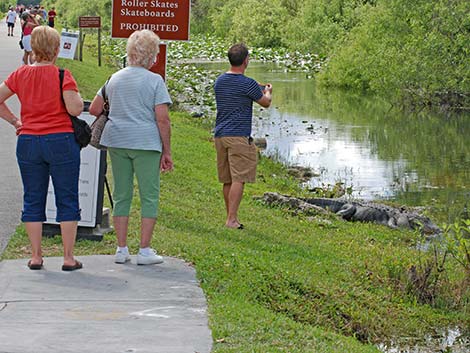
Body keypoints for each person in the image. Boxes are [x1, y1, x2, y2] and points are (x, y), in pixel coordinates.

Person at [0, 26, 84, 271]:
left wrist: (16, 121)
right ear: (57, 49)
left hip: (28, 141)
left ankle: (36, 256)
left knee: (33, 197)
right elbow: (75, 109)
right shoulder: (62, 75)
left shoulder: (20, 74)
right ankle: (68, 258)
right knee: (66, 197)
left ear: (33, 48)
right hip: (60, 141)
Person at [89, 29, 173, 266]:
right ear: (151, 56)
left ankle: (121, 248)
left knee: (122, 194)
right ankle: (144, 250)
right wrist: (167, 151)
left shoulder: (114, 78)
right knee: (149, 195)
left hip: (117, 140)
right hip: (146, 143)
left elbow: (95, 109)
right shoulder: (155, 81)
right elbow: (162, 119)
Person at [213, 43, 273, 229]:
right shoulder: (247, 84)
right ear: (246, 60)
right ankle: (231, 220)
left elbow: (236, 90)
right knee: (239, 178)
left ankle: (230, 216)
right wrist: (268, 91)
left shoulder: (219, 81)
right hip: (238, 136)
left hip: (220, 135)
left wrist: (254, 86)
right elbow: (265, 103)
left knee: (227, 179)